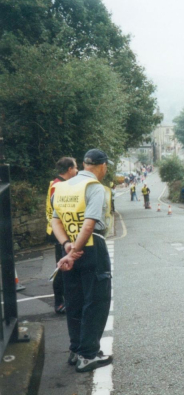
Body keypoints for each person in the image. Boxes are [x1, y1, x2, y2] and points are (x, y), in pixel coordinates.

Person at [51, 149, 113, 373]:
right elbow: (89, 223)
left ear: (85, 164)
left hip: (68, 250)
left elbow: (55, 220)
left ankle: (76, 350)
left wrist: (67, 247)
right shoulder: (94, 187)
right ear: (102, 166)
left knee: (74, 301)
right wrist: (76, 249)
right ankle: (88, 355)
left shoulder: (61, 187)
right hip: (91, 248)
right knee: (96, 301)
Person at [45, 157, 78, 314]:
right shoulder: (58, 186)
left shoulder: (60, 184)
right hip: (59, 232)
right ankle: (59, 302)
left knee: (67, 265)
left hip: (62, 231)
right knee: (61, 267)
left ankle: (68, 299)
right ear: (70, 169)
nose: (77, 171)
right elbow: (58, 211)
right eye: (76, 168)